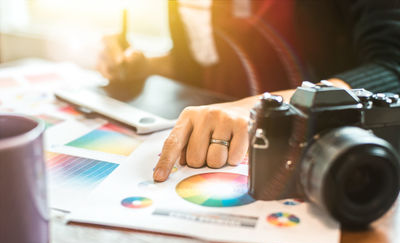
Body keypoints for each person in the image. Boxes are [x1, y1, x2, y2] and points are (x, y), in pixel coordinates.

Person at [97, 0, 400, 182]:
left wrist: (264, 108)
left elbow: (391, 66)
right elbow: (200, 60)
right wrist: (146, 64)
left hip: (339, 166)